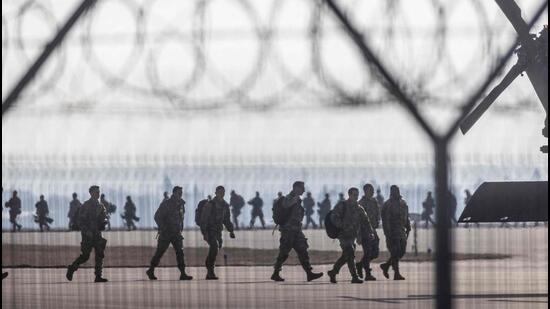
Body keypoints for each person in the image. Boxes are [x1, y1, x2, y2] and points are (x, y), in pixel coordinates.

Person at [271, 181, 323, 282]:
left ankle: (309, 273)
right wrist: (294, 200)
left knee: (303, 250)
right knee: (284, 252)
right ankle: (276, 273)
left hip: (296, 230)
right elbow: (286, 205)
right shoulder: (289, 197)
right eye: (302, 188)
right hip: (288, 230)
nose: (303, 190)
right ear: (296, 188)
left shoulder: (298, 199)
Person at [327, 187, 373, 284]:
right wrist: (342, 225)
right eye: (354, 195)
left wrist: (370, 232)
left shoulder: (359, 208)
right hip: (343, 235)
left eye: (357, 195)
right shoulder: (342, 205)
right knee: (350, 253)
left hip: (352, 236)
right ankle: (354, 276)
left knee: (346, 256)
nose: (356, 197)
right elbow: (334, 216)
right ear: (349, 195)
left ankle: (333, 272)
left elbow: (366, 221)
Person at [146, 186, 192, 281]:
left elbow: (181, 218)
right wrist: (163, 228)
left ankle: (183, 273)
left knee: (180, 252)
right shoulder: (166, 204)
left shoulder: (181, 204)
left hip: (176, 233)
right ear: (174, 193)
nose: (180, 194)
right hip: (166, 234)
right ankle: (151, 270)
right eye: (179, 192)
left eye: (181, 193)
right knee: (160, 252)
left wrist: (180, 229)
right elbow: (157, 216)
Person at [66, 185, 108, 283]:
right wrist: (86, 231)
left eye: (98, 192)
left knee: (100, 254)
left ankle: (98, 276)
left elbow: (104, 217)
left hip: (97, 234)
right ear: (91, 193)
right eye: (96, 192)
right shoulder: (86, 206)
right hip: (88, 235)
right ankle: (72, 268)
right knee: (85, 256)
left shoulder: (100, 206)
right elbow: (80, 221)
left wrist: (104, 222)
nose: (98, 194)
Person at [197, 186, 235, 280]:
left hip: (218, 231)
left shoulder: (225, 205)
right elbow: (204, 219)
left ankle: (209, 269)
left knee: (215, 249)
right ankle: (210, 271)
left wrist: (231, 230)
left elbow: (226, 220)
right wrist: (204, 233)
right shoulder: (210, 205)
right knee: (214, 247)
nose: (222, 193)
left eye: (223, 192)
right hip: (210, 231)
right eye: (220, 192)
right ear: (216, 193)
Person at [380, 185, 411, 280]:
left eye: (397, 190)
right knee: (395, 251)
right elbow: (386, 221)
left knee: (401, 252)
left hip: (401, 231)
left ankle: (386, 265)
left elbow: (406, 216)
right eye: (394, 191)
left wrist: (408, 226)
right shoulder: (388, 204)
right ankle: (396, 273)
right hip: (392, 232)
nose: (396, 192)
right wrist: (388, 234)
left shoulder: (403, 203)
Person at [356, 184, 380, 281]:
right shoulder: (360, 203)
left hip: (373, 230)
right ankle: (368, 274)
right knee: (367, 252)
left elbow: (377, 213)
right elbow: (357, 221)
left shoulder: (374, 201)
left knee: (375, 253)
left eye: (373, 190)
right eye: (371, 190)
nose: (373, 192)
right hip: (364, 231)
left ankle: (360, 265)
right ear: (365, 191)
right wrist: (358, 236)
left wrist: (377, 221)